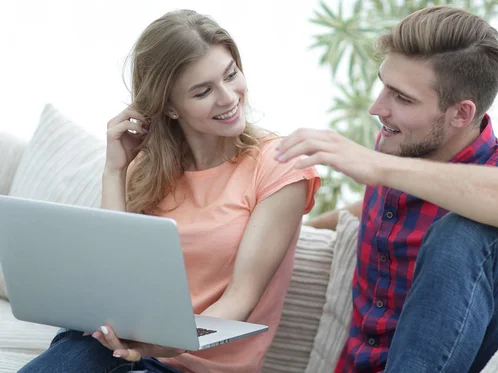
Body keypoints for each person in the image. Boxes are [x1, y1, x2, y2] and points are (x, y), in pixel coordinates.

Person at [276, 5, 498, 373]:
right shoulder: (402, 146)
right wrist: (291, 232)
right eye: (383, 85)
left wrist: (379, 167)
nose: (376, 107)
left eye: (402, 98)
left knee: (463, 230)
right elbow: (373, 207)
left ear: (461, 114)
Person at [19, 9, 320, 373]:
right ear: (170, 107)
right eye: (203, 91)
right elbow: (112, 280)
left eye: (231, 75)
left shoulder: (281, 164)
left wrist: (154, 344)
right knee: (82, 350)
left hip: (191, 365)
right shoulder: (146, 164)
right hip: (114, 349)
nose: (228, 98)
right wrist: (114, 170)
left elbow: (239, 302)